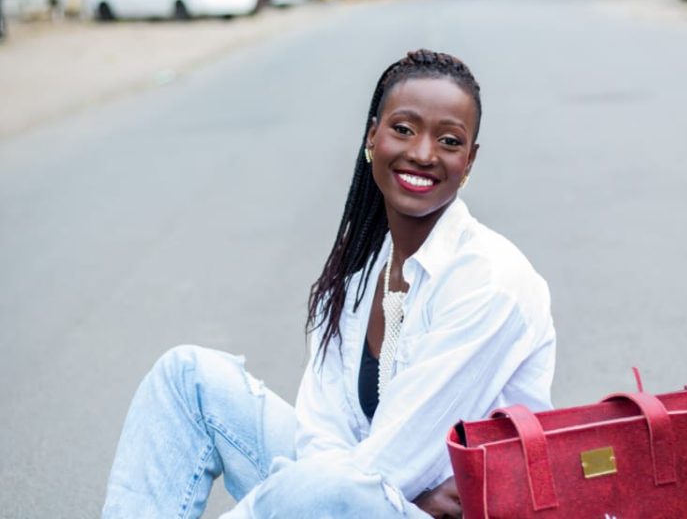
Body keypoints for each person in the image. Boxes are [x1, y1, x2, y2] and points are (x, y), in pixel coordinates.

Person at [102, 50, 556, 519]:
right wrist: (377, 493)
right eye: (403, 129)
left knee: (329, 485)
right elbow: (320, 439)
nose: (423, 153)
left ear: (469, 161)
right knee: (187, 377)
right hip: (363, 499)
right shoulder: (359, 277)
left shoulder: (491, 282)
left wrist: (368, 492)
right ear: (371, 136)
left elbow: (398, 461)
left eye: (448, 140)